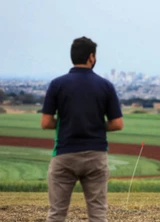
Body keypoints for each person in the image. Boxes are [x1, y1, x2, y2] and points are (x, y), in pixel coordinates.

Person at [41, 36, 124, 222]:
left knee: (56, 213)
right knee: (98, 214)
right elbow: (117, 123)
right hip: (96, 155)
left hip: (64, 155)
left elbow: (45, 122)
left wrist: (66, 123)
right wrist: (95, 124)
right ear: (92, 57)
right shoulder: (105, 86)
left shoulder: (57, 84)